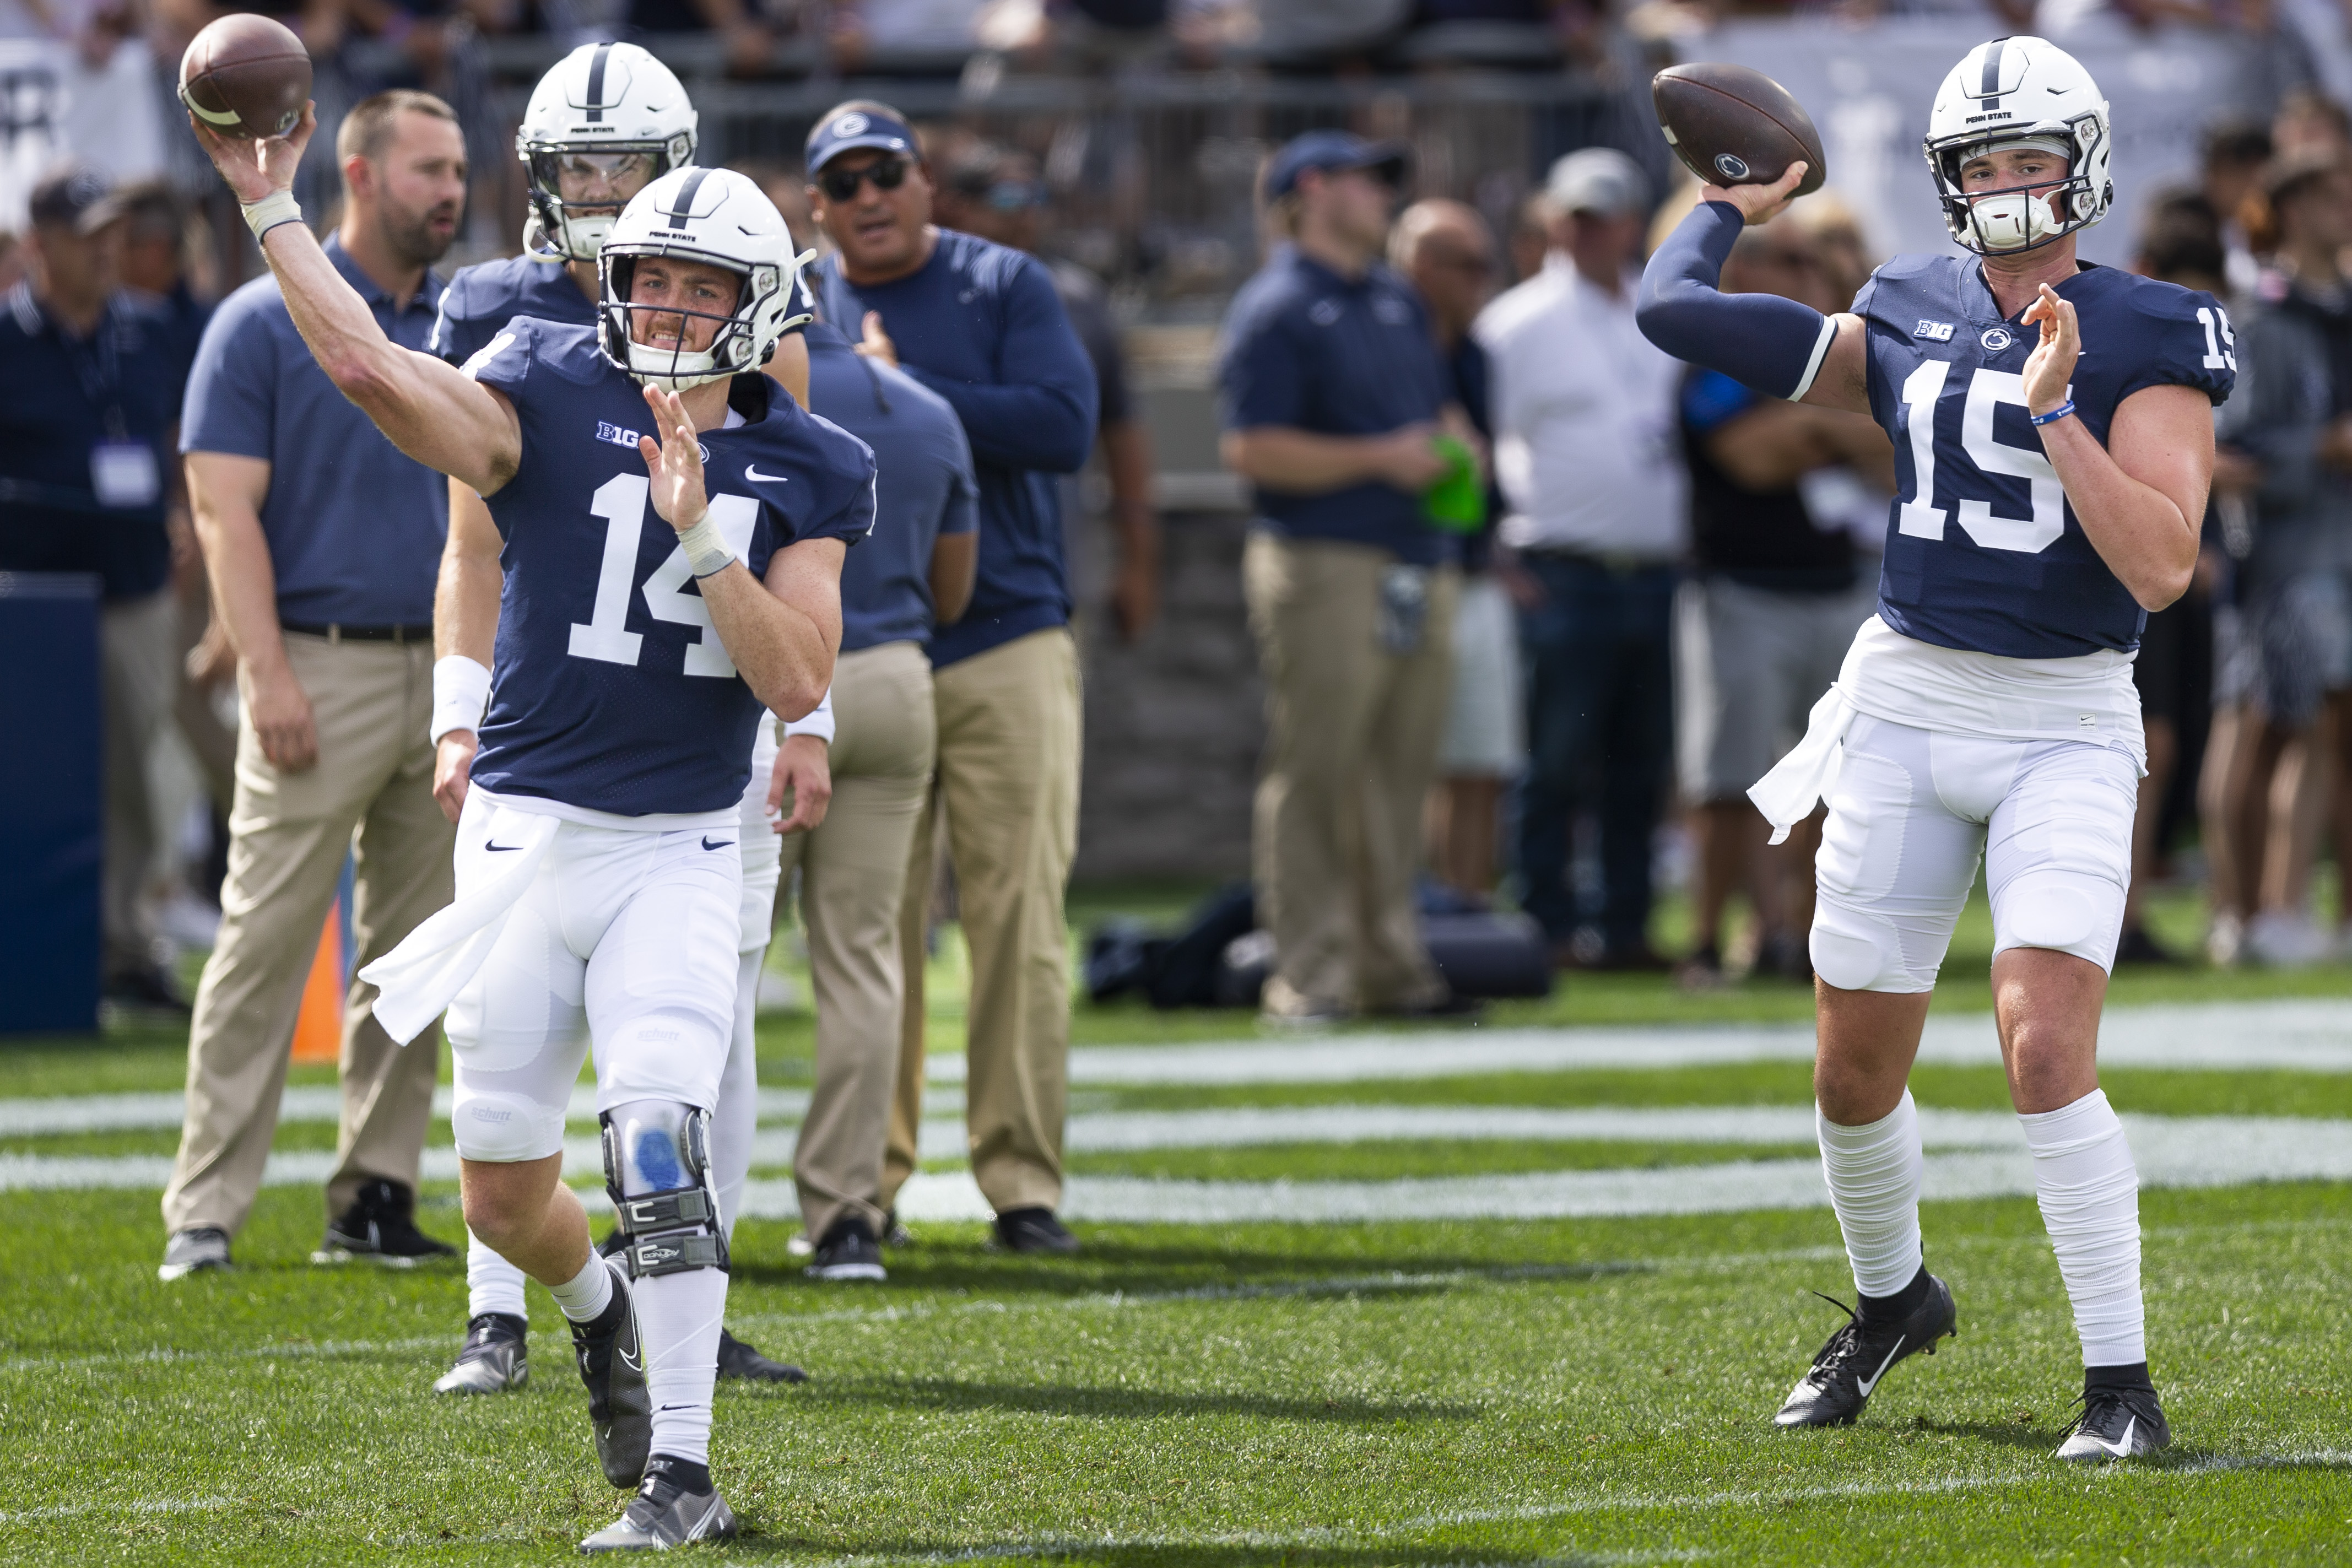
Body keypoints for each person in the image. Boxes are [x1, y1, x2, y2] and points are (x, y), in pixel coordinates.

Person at [188, 94, 873, 1543]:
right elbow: (371, 372)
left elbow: (798, 674)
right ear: (611, 282)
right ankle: (595, 1308)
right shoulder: (544, 380)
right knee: (504, 1192)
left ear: (758, 310)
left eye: (702, 286)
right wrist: (271, 206)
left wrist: (700, 533)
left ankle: (682, 1471)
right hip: (515, 836)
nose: (671, 305)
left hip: (674, 849)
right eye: (650, 278)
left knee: (657, 1148)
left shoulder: (810, 462)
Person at [1640, 34, 2232, 1459]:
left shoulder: (2154, 326)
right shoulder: (1901, 303)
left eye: (2026, 158)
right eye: (1977, 165)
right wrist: (1735, 198)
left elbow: (2159, 568)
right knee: (1849, 1067)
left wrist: (2055, 421)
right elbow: (1672, 312)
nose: (2002, 185)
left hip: (2060, 719)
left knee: (2040, 1045)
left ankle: (2118, 1383)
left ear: (2080, 163)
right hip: (1905, 703)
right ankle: (1891, 1296)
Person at [422, 41, 812, 1397]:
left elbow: (788, 514)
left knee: (705, 1027)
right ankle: (501, 1305)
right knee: (501, 1029)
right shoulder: (502, 313)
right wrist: (456, 708)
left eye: (620, 163)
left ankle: (696, 1287)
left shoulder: (756, 312)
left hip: (706, 712)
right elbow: (474, 549)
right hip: (544, 721)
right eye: (573, 163)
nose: (595, 189)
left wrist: (803, 726)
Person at [160, 94, 470, 1283]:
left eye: (457, 169)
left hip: (444, 671)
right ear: (358, 171)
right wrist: (268, 670)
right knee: (264, 941)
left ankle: (376, 1191)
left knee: (416, 947)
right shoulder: (254, 321)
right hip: (317, 663)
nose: (450, 189)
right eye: (427, 169)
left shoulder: (467, 311)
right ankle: (205, 1208)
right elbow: (221, 512)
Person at [801, 100, 1099, 1253]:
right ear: (817, 207)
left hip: (1005, 636)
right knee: (871, 931)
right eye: (846, 182)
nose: (871, 196)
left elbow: (1062, 425)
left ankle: (1021, 1183)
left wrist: (897, 387)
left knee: (1016, 912)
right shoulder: (794, 301)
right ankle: (861, 1187)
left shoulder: (1002, 285)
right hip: (869, 641)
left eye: (889, 173)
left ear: (927, 184)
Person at [1218, 130, 1467, 1024]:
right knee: (1318, 770)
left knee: (1399, 775)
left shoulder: (1394, 298)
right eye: (1366, 181)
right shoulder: (1276, 306)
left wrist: (1449, 439)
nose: (1382, 197)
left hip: (1411, 561)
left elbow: (1425, 407)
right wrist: (1380, 458)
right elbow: (1249, 450)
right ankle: (1310, 976)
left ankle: (1391, 968)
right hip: (1322, 562)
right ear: (1311, 190)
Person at [785, 315, 978, 1280]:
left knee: (709, 957)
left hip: (773, 684)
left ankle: (681, 1208)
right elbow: (954, 589)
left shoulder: (743, 400)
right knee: (863, 962)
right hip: (896, 676)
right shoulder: (929, 410)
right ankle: (847, 1214)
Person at [1478, 147, 1684, 970]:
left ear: (1630, 223)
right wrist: (1495, 552)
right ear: (1550, 222)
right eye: (1572, 217)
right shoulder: (1516, 323)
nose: (1584, 232)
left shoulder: (1655, 309)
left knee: (1640, 761)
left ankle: (1625, 924)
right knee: (1555, 759)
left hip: (1652, 569)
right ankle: (1546, 920)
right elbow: (1478, 443)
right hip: (1562, 566)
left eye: (1600, 217)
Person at [1671, 217, 1890, 988]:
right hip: (1742, 589)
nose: (1810, 276)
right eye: (1793, 260)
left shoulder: (1843, 358)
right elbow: (1754, 457)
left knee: (1829, 777)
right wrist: (1836, 432)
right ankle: (1705, 936)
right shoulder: (1717, 355)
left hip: (1834, 588)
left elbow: (1895, 455)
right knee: (1728, 775)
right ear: (1746, 268)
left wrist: (1814, 429)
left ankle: (1794, 932)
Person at [0, 167, 186, 1010]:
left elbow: (178, 439)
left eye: (116, 232)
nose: (110, 250)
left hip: (135, 586)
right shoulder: (6, 339)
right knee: (32, 774)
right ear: (38, 247)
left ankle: (122, 950)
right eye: (89, 236)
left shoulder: (144, 334)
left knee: (133, 777)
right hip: (31, 596)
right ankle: (39, 949)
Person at [2208, 153, 2352, 968]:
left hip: (2337, 542)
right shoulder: (2257, 318)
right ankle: (2262, 911)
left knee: (2323, 726)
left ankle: (2292, 910)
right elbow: (2230, 447)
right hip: (2284, 551)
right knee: (2281, 723)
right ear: (2290, 208)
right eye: (2333, 193)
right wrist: (2324, 447)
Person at [933, 139, 1161, 641]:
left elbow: (1123, 438)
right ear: (958, 207)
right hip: (931, 578)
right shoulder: (925, 297)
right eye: (1008, 198)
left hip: (1052, 575)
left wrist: (1138, 564)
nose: (1027, 213)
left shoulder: (1078, 300)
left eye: (1036, 196)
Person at [1389, 197, 1513, 899]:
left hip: (1468, 569)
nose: (1483, 281)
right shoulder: (1384, 343)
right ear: (1423, 267)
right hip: (1398, 569)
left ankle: (1467, 905)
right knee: (1412, 756)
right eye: (1470, 266)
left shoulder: (1473, 354)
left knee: (1482, 756)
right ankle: (1417, 907)